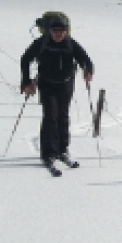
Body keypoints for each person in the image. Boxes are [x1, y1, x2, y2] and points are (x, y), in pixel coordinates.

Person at [19, 11, 93, 175]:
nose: (58, 34)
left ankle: (63, 149)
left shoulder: (70, 43)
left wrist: (88, 71)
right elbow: (25, 59)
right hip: (47, 84)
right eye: (55, 31)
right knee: (50, 116)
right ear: (50, 31)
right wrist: (26, 82)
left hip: (66, 85)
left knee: (63, 116)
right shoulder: (42, 43)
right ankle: (48, 153)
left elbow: (85, 59)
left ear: (66, 31)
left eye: (61, 31)